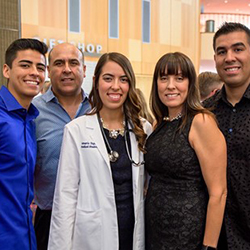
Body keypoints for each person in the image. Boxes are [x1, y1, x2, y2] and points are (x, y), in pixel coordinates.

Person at [48, 52, 152, 250]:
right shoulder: (76, 130)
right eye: (108, 78)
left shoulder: (143, 129)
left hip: (134, 231)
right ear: (96, 82)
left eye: (123, 79)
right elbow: (65, 198)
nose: (115, 86)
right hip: (92, 234)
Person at [145, 52, 227, 250]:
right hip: (154, 232)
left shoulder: (201, 121)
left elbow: (219, 193)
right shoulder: (158, 124)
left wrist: (208, 246)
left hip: (187, 234)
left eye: (179, 78)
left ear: (190, 84)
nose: (170, 85)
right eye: (163, 78)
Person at [32, 43, 91, 250]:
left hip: (93, 218)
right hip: (48, 218)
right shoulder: (33, 113)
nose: (67, 69)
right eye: (59, 63)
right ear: (49, 71)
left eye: (73, 63)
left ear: (84, 70)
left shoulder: (99, 110)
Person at [203, 22, 250, 250]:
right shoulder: (203, 113)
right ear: (215, 58)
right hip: (211, 238)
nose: (229, 57)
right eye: (222, 51)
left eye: (238, 49)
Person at [0, 38, 47, 250]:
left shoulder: (29, 119)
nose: (34, 73)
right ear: (6, 70)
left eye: (40, 67)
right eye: (25, 65)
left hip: (25, 235)